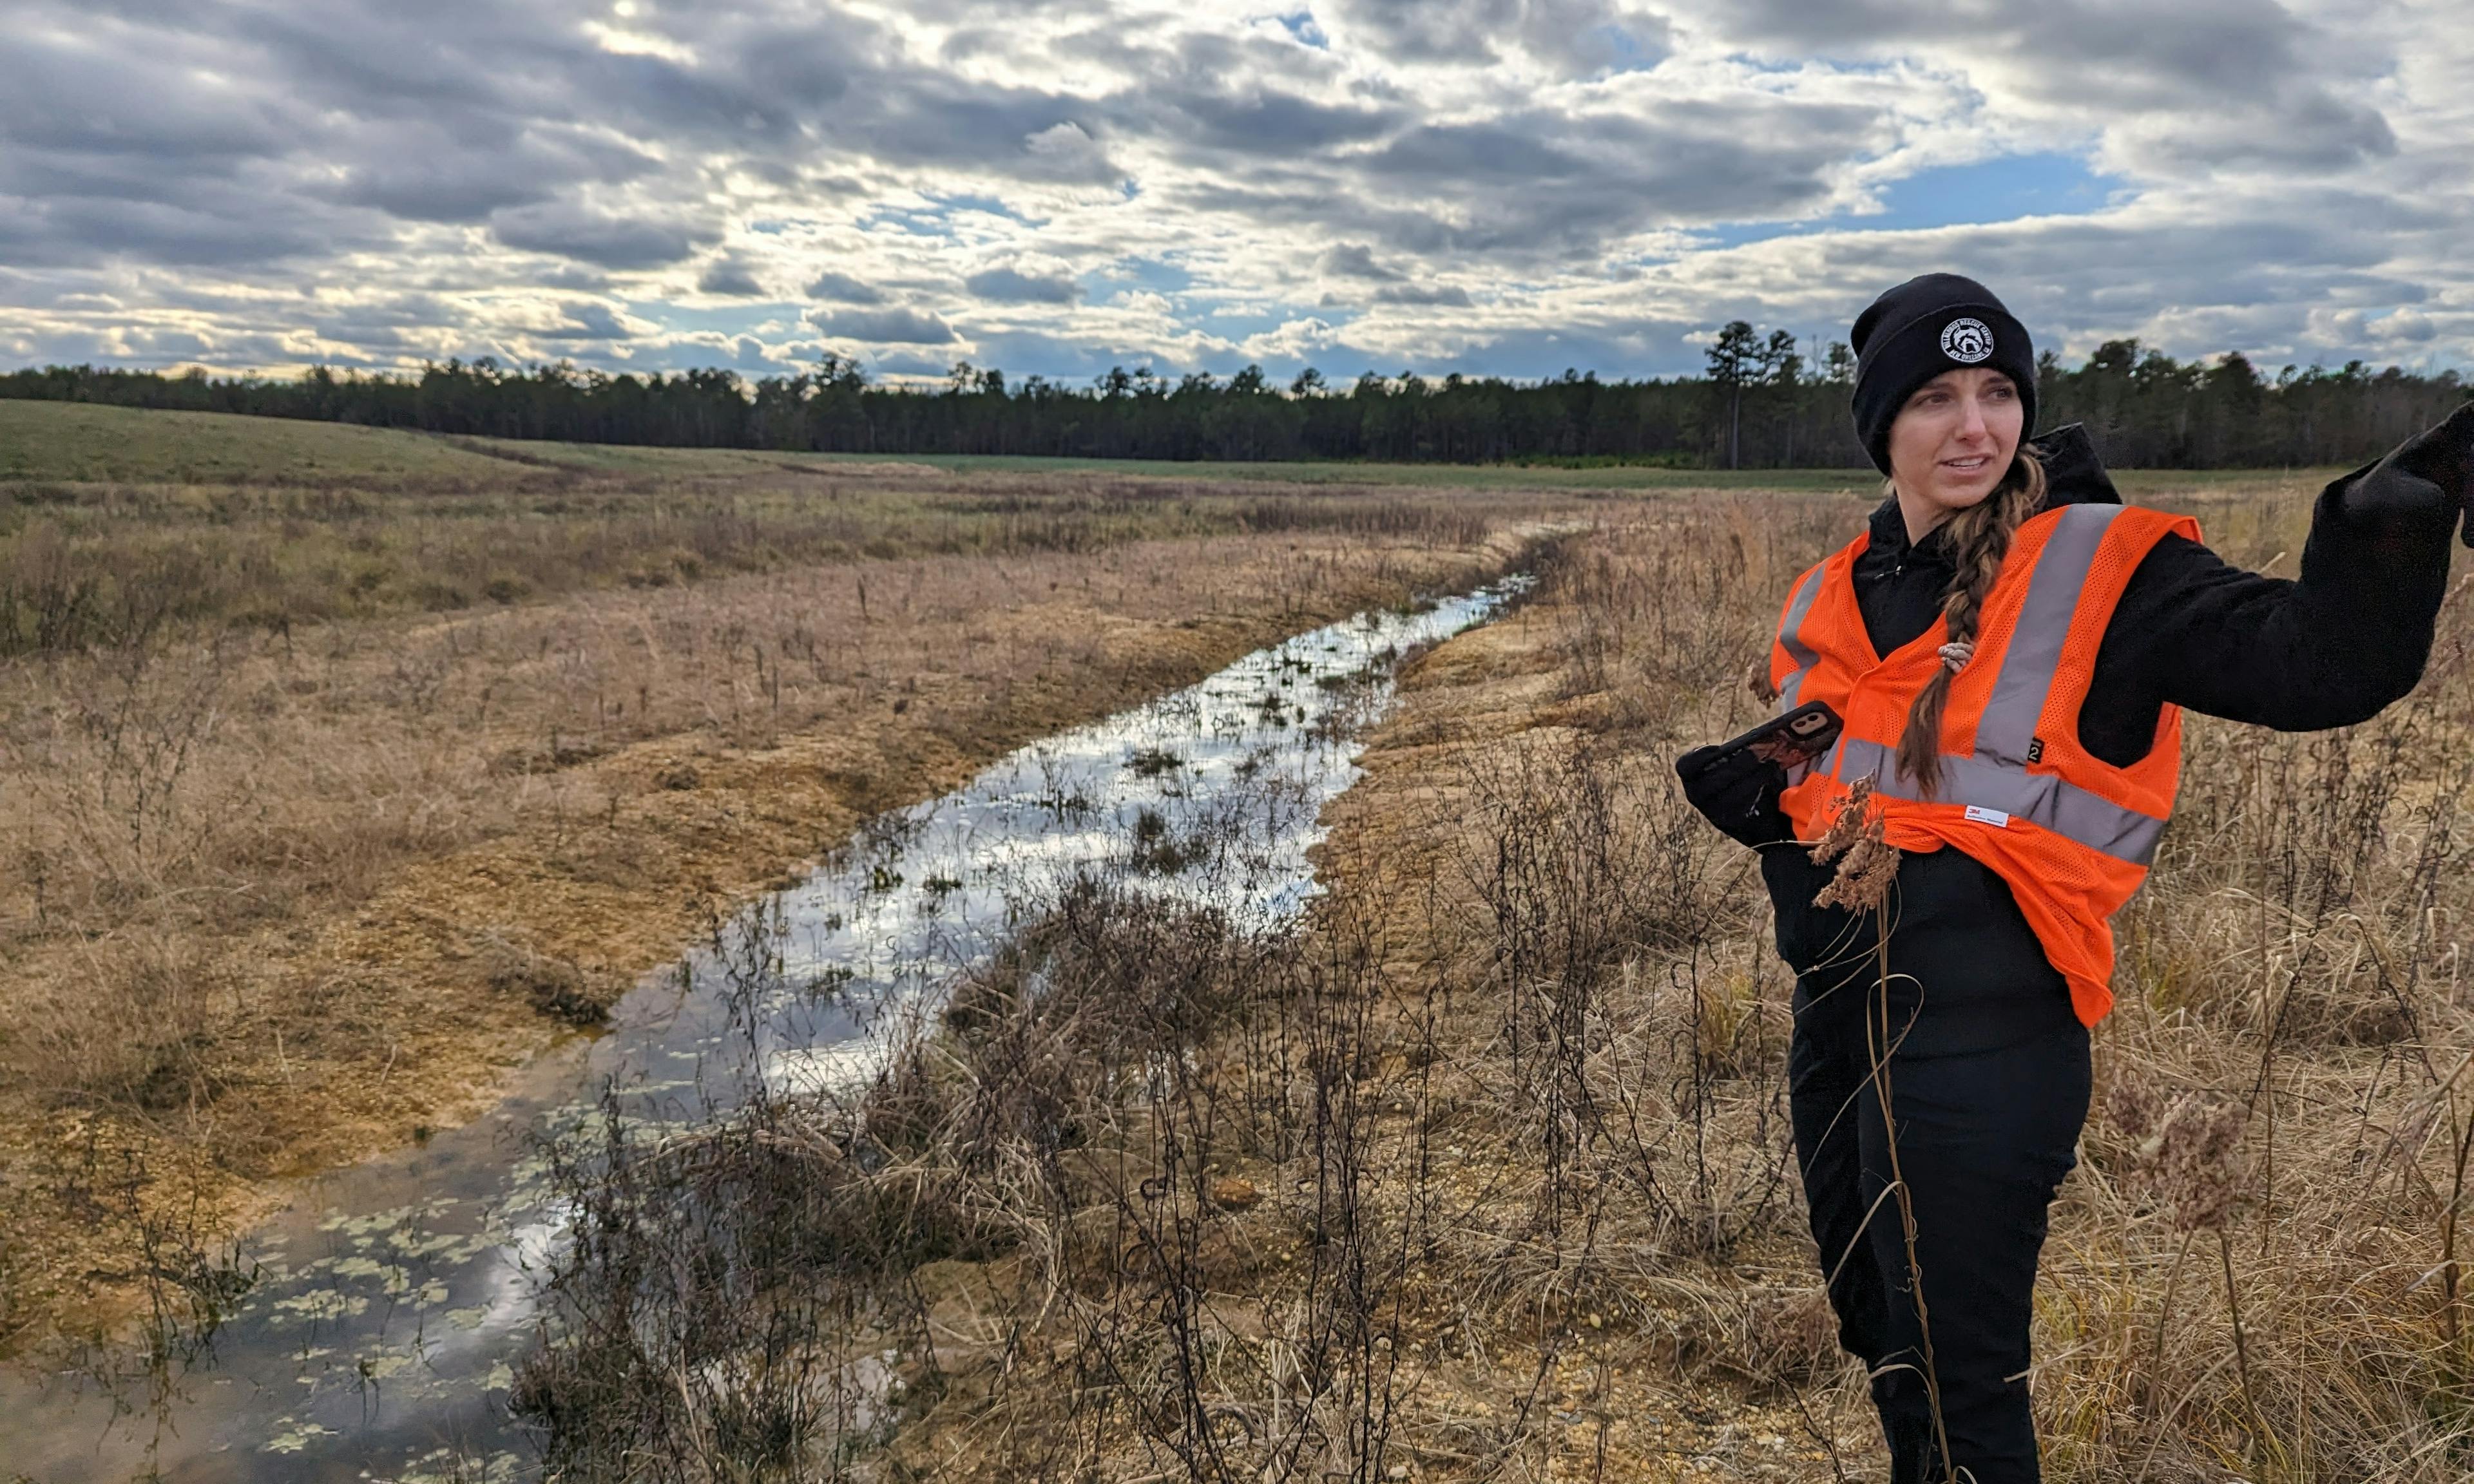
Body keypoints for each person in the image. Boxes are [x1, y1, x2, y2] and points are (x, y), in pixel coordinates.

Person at [1676, 272, 2473, 1481]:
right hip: (1836, 1025)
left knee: (1966, 1390)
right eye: (1936, 396)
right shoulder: (1835, 591)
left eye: (1998, 391)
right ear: (1881, 424)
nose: (1976, 425)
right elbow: (1874, 790)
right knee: (1886, 1341)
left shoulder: (2106, 571)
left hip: (1986, 1047)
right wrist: (1769, 807)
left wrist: (2386, 528)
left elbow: (2319, 666)